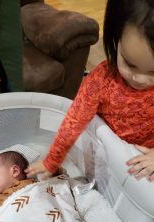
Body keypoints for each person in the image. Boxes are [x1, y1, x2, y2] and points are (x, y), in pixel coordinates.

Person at [25, 0, 154, 182]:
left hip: (143, 164)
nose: (139, 78)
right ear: (115, 39)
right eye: (129, 63)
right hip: (105, 154)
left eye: (153, 72)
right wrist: (51, 161)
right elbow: (74, 120)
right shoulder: (101, 80)